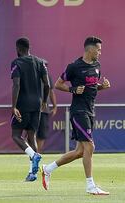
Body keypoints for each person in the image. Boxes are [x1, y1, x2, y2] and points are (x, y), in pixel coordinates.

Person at [41, 36, 110, 195]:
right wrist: (72, 89)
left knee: (80, 151)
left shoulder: (97, 65)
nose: (100, 52)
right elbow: (58, 84)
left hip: (90, 111)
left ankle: (47, 168)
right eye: (98, 49)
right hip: (79, 111)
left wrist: (102, 87)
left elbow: (92, 87)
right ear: (90, 49)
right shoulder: (74, 67)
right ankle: (90, 185)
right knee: (90, 146)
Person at [10, 37, 50, 182]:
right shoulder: (40, 62)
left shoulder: (17, 63)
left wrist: (14, 106)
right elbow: (47, 84)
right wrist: (44, 101)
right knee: (31, 137)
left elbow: (16, 85)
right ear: (29, 48)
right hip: (37, 105)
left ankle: (34, 156)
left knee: (15, 135)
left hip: (22, 105)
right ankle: (32, 173)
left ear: (18, 49)